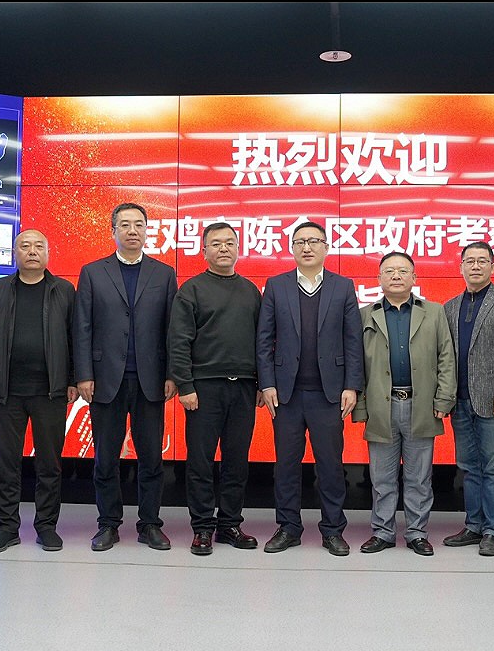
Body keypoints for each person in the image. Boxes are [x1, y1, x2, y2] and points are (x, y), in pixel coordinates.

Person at [73, 203, 177, 552]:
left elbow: (172, 329)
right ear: (113, 231)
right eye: (125, 225)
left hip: (151, 379)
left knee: (151, 458)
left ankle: (150, 524)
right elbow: (82, 326)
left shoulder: (164, 274)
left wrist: (172, 374)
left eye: (139, 225)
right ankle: (108, 524)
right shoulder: (92, 272)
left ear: (147, 231)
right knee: (106, 458)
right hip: (104, 380)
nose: (133, 230)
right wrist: (84, 374)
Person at [256, 221, 363, 557]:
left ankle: (333, 530)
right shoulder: (276, 286)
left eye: (314, 241)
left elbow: (353, 340)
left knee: (330, 466)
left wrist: (352, 385)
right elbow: (264, 339)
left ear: (326, 247)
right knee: (286, 465)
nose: (307, 247)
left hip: (328, 394)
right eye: (300, 241)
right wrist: (267, 382)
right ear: (291, 248)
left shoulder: (343, 286)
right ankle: (288, 528)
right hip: (286, 394)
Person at [0, 229, 77, 554]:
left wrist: (73, 379)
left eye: (38, 246)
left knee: (50, 464)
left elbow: (75, 338)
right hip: (6, 392)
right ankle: (7, 528)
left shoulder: (63, 290)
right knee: (7, 464)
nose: (32, 251)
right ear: (14, 253)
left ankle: (46, 526)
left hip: (50, 391)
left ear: (48, 253)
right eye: (25, 246)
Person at [167, 222, 262, 556]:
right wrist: (185, 385)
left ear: (238, 248)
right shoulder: (191, 290)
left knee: (237, 460)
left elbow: (262, 342)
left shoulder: (251, 291)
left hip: (244, 388)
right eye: (216, 243)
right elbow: (179, 341)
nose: (224, 248)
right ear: (204, 250)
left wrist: (261, 382)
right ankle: (203, 527)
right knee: (201, 461)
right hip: (203, 389)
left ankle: (230, 525)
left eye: (230, 243)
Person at [353, 252, 456, 556]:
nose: (396, 276)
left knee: (419, 478)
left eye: (402, 271)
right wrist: (360, 406)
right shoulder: (365, 314)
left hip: (421, 405)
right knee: (381, 478)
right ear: (379, 279)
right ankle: (383, 532)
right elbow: (356, 364)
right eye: (389, 271)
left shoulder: (434, 312)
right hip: (381, 407)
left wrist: (444, 398)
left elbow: (446, 357)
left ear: (414, 277)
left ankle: (417, 533)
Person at [442, 241, 494, 557]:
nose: (475, 266)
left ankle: (493, 531)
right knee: (468, 467)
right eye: (470, 261)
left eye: (482, 261)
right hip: (460, 401)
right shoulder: (450, 306)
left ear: (492, 266)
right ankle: (474, 525)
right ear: (461, 267)